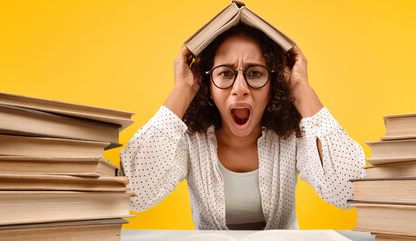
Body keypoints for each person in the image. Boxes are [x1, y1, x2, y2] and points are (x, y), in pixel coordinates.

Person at [120, 24, 366, 230]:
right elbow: (134, 193)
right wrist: (182, 90)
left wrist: (301, 89)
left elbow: (350, 191)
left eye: (255, 73)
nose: (240, 88)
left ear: (273, 85)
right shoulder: (189, 140)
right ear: (208, 86)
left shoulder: (292, 137)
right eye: (226, 74)